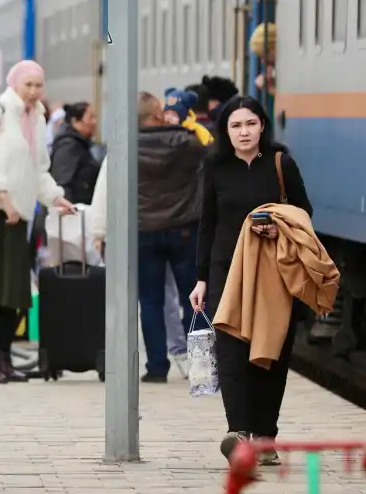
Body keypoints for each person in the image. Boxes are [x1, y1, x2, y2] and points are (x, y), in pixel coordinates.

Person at [189, 95, 312, 467]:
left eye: (250, 124)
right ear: (225, 131)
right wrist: (200, 279)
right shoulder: (215, 168)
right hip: (227, 272)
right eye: (236, 126)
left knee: (270, 356)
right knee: (231, 355)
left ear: (262, 126)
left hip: (274, 274)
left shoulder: (280, 164)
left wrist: (279, 227)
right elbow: (206, 224)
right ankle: (239, 432)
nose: (244, 132)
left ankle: (266, 436)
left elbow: (305, 211)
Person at [0, 60, 75, 383]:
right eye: (28, 85)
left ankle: (5, 357)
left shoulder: (37, 118)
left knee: (11, 288)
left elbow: (39, 168)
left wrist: (54, 197)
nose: (34, 92)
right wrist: (4, 197)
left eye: (38, 85)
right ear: (15, 84)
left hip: (17, 212)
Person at [133, 92, 205, 382]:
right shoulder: (186, 143)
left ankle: (157, 368)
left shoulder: (128, 145)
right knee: (195, 298)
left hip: (144, 230)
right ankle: (200, 368)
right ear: (157, 114)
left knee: (150, 301)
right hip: (184, 228)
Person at [48, 102, 101, 205]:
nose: (95, 122)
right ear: (75, 121)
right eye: (90, 117)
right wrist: (67, 210)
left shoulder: (81, 144)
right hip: (71, 210)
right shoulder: (68, 145)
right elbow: (62, 182)